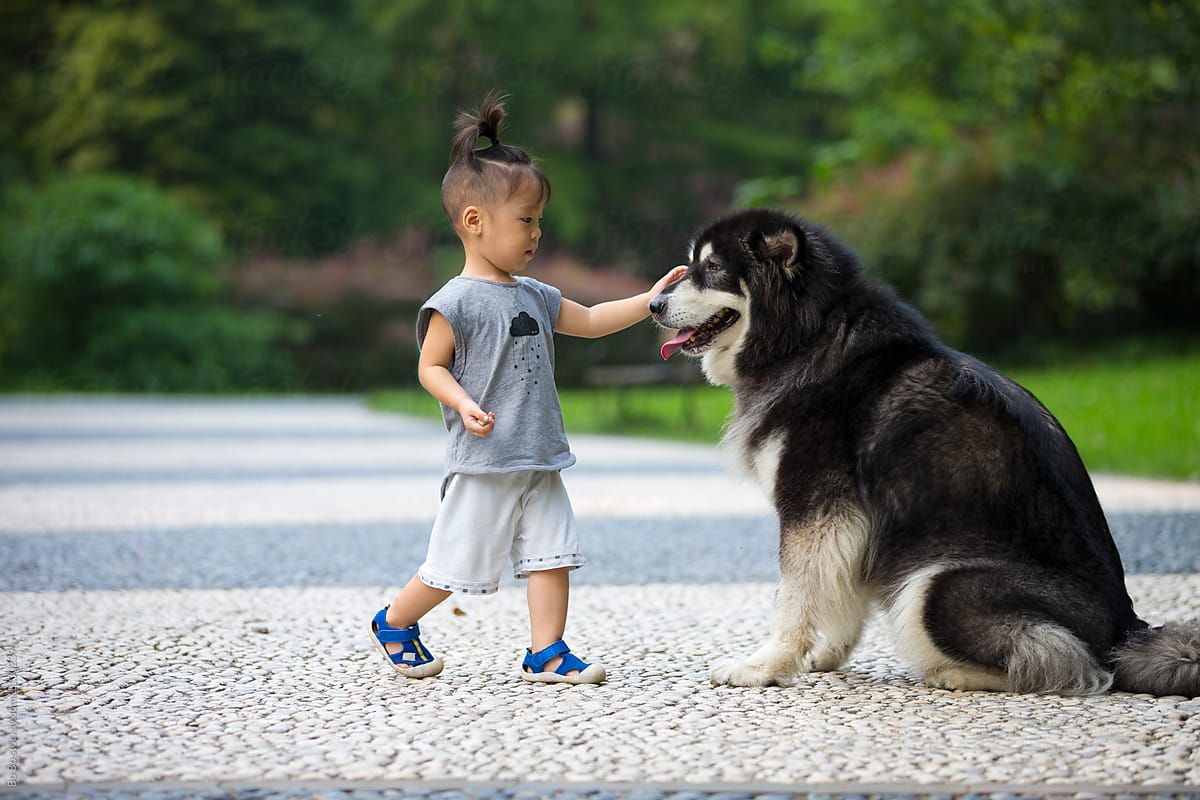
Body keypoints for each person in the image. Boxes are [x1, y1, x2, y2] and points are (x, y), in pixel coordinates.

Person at [369, 91, 685, 684]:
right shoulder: (453, 302)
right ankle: (394, 620)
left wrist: (650, 301)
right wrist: (463, 404)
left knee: (553, 553)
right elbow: (430, 367)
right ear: (474, 222)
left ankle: (547, 650)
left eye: (539, 220)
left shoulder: (536, 294)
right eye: (526, 221)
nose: (537, 233)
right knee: (453, 565)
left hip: (539, 454)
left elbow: (589, 320)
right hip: (486, 459)